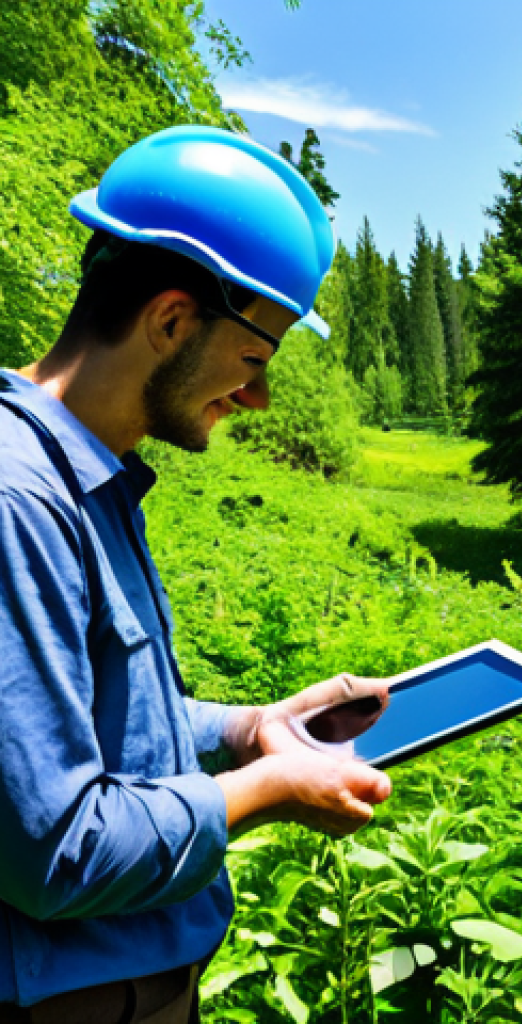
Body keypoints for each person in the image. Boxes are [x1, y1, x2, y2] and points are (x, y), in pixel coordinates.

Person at [0, 126, 393, 1023]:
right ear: (171, 320)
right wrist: (271, 788)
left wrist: (251, 728)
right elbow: (56, 849)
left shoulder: (86, 479)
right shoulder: (17, 499)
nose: (256, 397)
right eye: (257, 359)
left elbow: (82, 719)